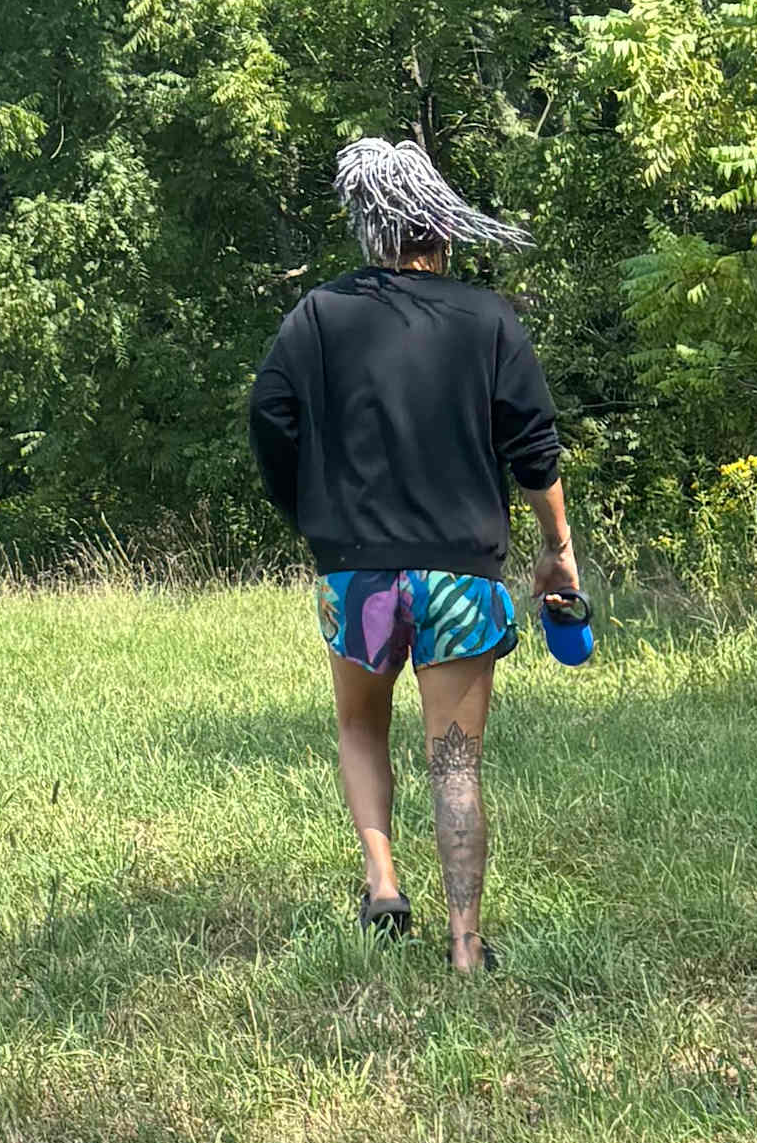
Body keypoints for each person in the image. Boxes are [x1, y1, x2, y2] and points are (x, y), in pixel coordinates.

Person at [247, 136, 585, 966]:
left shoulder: (319, 315)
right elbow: (534, 449)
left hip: (356, 568)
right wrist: (557, 554)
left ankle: (384, 887)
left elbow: (269, 415)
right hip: (460, 573)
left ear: (369, 223)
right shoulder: (487, 318)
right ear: (441, 222)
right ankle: (467, 944)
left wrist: (310, 510)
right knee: (455, 760)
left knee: (361, 727)